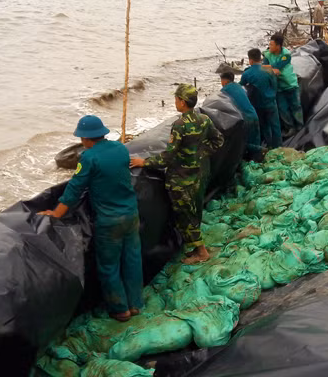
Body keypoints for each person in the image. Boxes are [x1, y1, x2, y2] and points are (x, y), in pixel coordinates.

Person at [38, 115, 142, 322]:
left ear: (85, 138)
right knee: (132, 260)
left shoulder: (88, 158)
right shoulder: (120, 148)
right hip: (131, 214)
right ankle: (135, 304)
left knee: (109, 266)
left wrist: (55, 214)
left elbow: (74, 189)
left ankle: (120, 309)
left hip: (109, 221)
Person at [130, 84, 223, 264]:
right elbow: (218, 140)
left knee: (185, 215)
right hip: (197, 175)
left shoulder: (180, 125)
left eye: (176, 99)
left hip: (180, 179)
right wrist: (200, 154)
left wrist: (144, 162)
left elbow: (167, 157)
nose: (175, 102)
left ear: (182, 102)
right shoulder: (204, 119)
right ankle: (195, 247)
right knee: (193, 211)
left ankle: (201, 252)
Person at [263, 34, 303, 137]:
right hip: (279, 87)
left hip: (290, 84)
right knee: (282, 109)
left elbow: (278, 66)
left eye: (272, 45)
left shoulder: (286, 54)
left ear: (278, 46)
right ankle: (290, 128)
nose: (269, 47)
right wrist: (270, 69)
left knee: (296, 106)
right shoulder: (267, 55)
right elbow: (263, 67)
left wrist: (269, 68)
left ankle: (300, 126)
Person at [240, 48, 282, 148]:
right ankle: (278, 147)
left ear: (250, 60)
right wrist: (272, 95)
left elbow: (240, 87)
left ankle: (268, 146)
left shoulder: (247, 73)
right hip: (271, 102)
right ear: (260, 58)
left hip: (257, 104)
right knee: (275, 126)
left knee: (264, 126)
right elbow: (274, 85)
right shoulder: (268, 70)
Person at [220, 71, 262, 161]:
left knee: (243, 143)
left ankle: (260, 151)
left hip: (245, 119)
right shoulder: (239, 86)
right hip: (254, 114)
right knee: (255, 141)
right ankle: (259, 159)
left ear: (224, 81)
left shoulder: (224, 91)